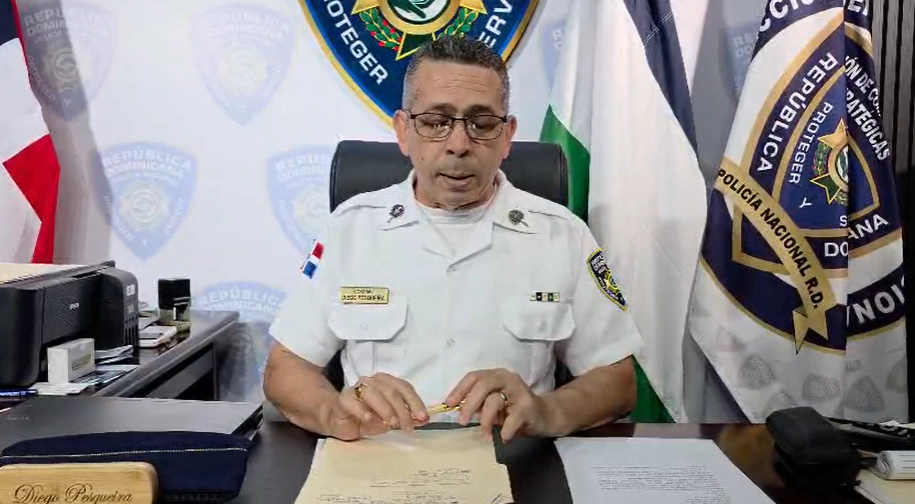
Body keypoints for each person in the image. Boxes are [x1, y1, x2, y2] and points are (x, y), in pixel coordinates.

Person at [263, 36, 643, 443]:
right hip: (379, 459)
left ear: (507, 136)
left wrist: (546, 410)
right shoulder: (349, 230)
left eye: (482, 124)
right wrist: (334, 412)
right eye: (435, 122)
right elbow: (286, 368)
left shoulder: (562, 234)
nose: (459, 145)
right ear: (403, 131)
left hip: (513, 460)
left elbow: (617, 380)